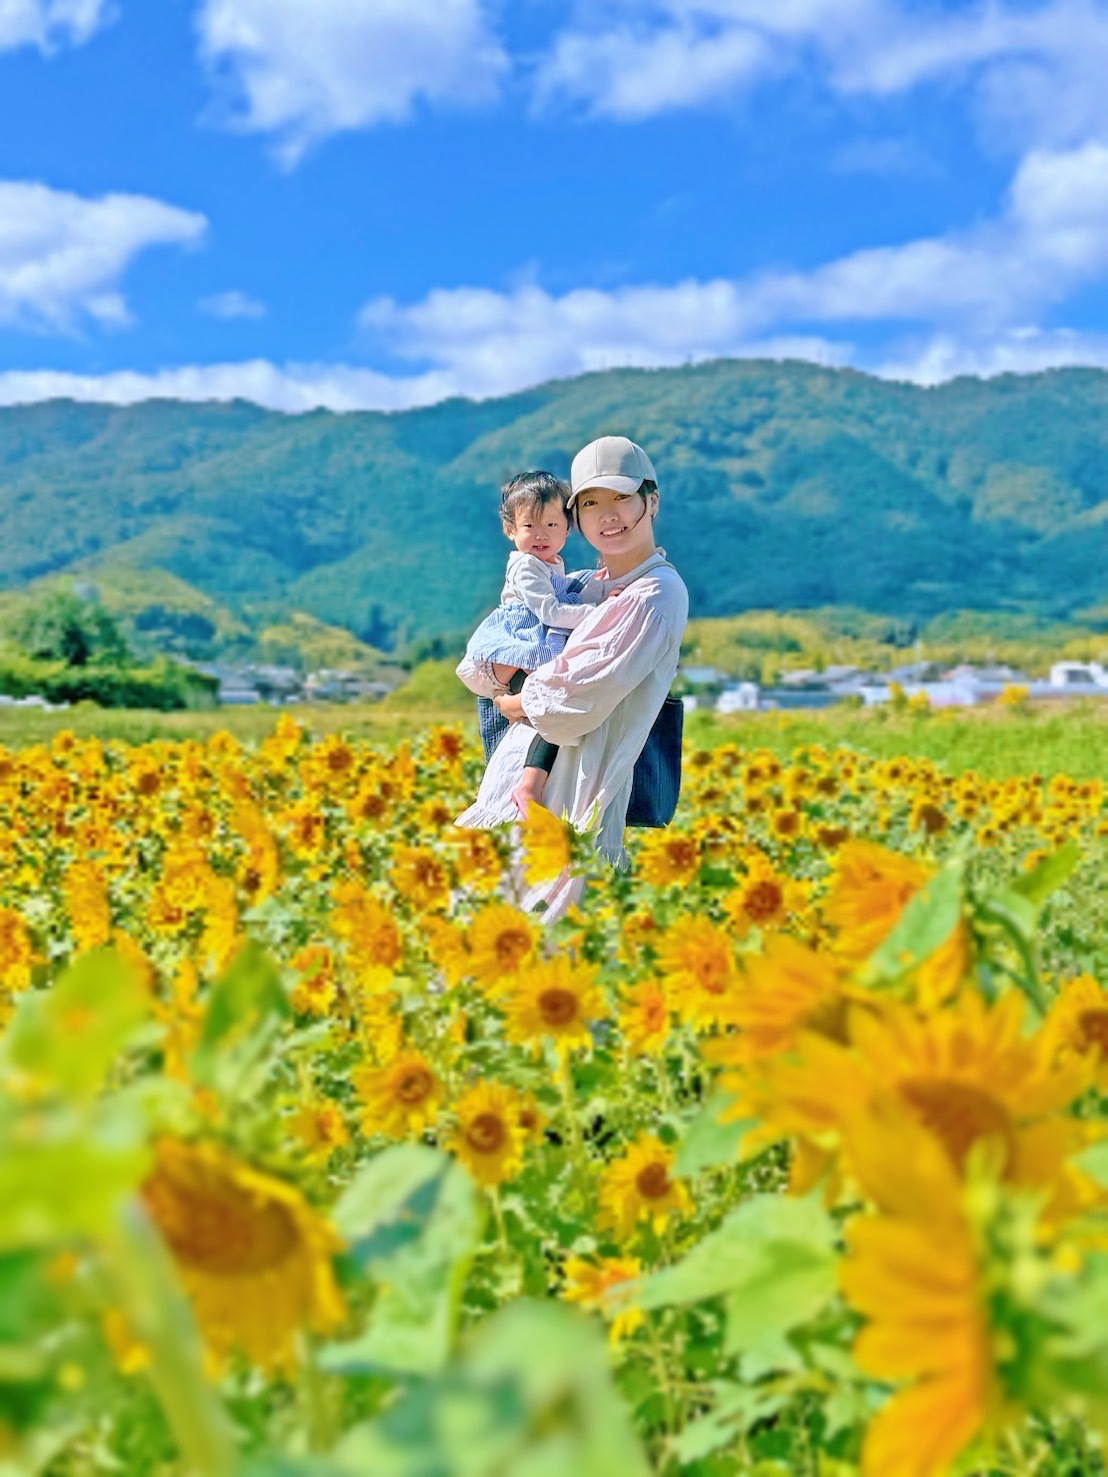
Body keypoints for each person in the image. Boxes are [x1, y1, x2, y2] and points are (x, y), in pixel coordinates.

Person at [456, 436, 689, 922]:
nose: (608, 515)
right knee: (470, 936)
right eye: (590, 503)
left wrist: (515, 700)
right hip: (513, 786)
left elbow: (565, 705)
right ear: (575, 516)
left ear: (652, 501)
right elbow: (486, 666)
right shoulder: (579, 584)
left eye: (621, 498)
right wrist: (510, 687)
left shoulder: (653, 594)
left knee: (537, 952)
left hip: (572, 801)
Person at [456, 470, 605, 816]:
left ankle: (523, 781)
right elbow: (550, 611)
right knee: (541, 713)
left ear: (568, 529)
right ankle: (528, 785)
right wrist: (595, 613)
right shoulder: (526, 567)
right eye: (529, 527)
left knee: (526, 715)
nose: (541, 535)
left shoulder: (551, 563)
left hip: (531, 644)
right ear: (510, 530)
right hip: (522, 644)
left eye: (552, 526)